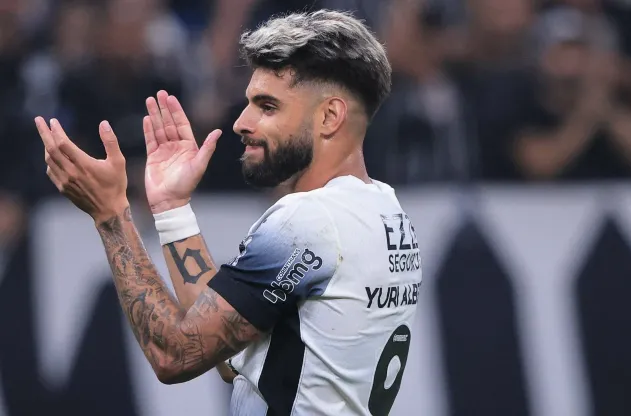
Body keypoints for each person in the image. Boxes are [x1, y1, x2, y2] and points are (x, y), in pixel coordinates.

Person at [34, 9, 423, 416]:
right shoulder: (386, 212)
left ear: (329, 117)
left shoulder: (308, 221)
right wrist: (172, 209)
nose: (241, 122)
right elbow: (225, 355)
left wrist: (111, 215)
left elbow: (176, 354)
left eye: (267, 106)